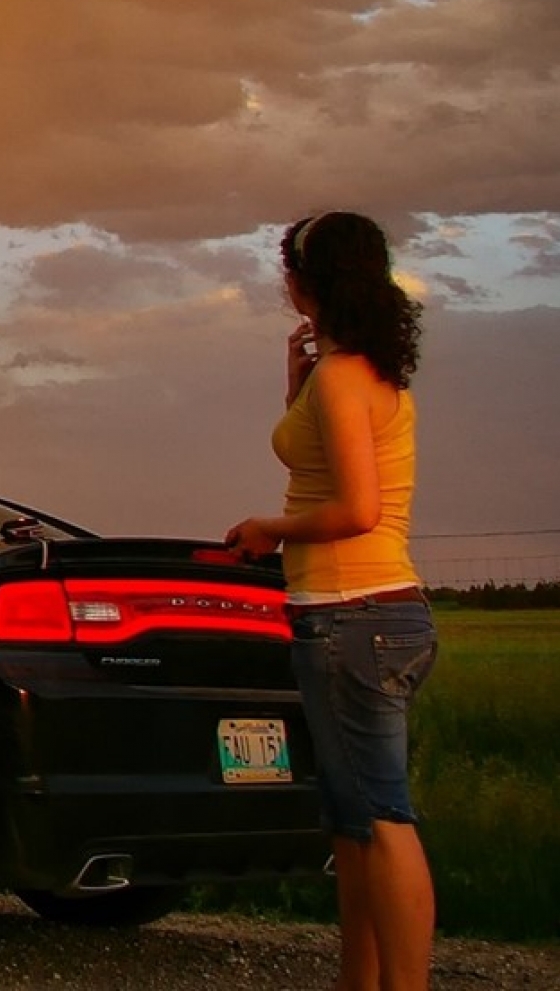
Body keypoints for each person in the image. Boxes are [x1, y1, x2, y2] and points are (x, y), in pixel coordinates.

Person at [226, 210, 434, 991]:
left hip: (356, 611)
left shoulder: (347, 381)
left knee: (382, 817)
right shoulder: (358, 374)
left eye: (288, 270)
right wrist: (296, 388)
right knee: (352, 823)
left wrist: (269, 528)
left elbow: (355, 508)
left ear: (308, 280)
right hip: (363, 613)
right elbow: (320, 461)